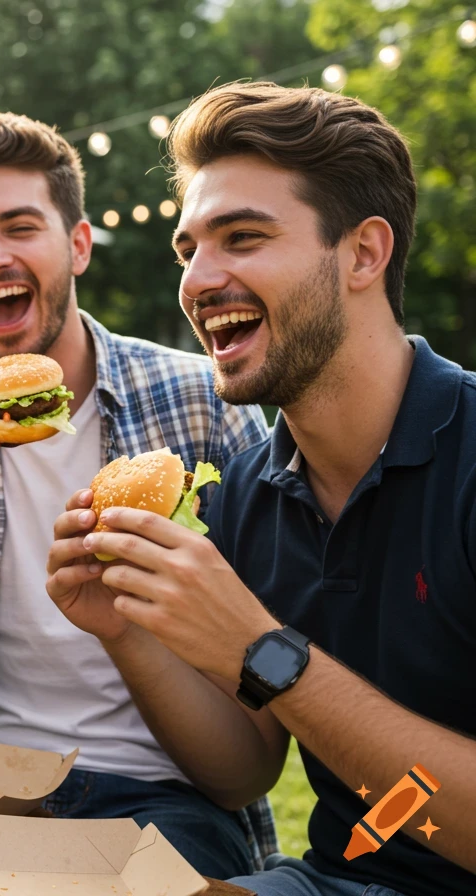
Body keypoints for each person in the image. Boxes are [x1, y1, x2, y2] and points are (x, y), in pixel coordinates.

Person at [48, 82, 476, 895]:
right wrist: (127, 633)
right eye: (189, 250)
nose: (200, 281)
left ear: (363, 254)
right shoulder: (247, 488)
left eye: (242, 237)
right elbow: (244, 770)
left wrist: (266, 653)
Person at [0, 112, 272, 879]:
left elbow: (253, 708)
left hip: (164, 793)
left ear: (77, 245)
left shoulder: (201, 401)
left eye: (20, 227)